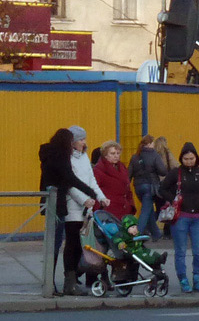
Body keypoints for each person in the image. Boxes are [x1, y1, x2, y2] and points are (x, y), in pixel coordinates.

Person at [38, 128, 99, 293]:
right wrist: (90, 192)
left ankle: (50, 283)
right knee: (55, 245)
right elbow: (69, 177)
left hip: (51, 202)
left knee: (55, 245)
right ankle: (49, 284)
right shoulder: (60, 156)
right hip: (56, 205)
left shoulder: (49, 154)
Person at [160, 142, 199, 293]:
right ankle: (183, 279)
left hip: (198, 217)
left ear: (196, 158)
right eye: (186, 158)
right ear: (181, 158)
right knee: (180, 251)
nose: (189, 161)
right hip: (181, 217)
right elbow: (162, 189)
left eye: (191, 158)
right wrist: (174, 200)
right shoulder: (176, 173)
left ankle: (197, 279)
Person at [62, 126, 109, 296]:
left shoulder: (83, 157)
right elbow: (69, 184)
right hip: (73, 208)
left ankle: (78, 278)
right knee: (73, 245)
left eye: (84, 139)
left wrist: (100, 196)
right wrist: (84, 199)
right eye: (81, 139)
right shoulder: (67, 158)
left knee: (85, 245)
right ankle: (70, 281)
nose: (84, 142)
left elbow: (91, 180)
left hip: (87, 207)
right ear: (72, 142)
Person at [129, 135, 167, 240]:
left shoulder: (135, 156)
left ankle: (156, 234)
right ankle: (138, 233)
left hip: (138, 187)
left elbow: (129, 175)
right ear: (150, 144)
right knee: (145, 211)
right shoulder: (154, 155)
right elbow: (162, 171)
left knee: (149, 209)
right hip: (150, 187)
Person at [93, 141, 135, 218]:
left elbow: (128, 189)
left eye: (118, 153)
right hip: (109, 210)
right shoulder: (98, 170)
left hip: (124, 209)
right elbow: (95, 190)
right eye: (112, 153)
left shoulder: (122, 167)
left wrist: (130, 205)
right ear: (105, 155)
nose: (116, 156)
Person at [152, 136, 179, 237]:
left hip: (155, 184)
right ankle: (167, 232)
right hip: (167, 184)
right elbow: (175, 166)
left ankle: (148, 226)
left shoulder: (153, 154)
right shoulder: (167, 153)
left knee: (159, 208)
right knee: (168, 207)